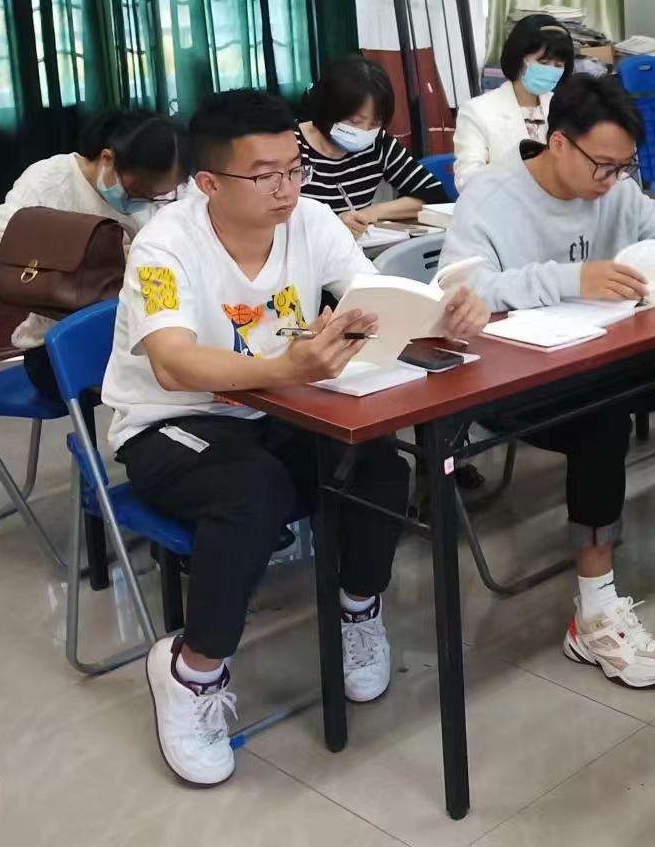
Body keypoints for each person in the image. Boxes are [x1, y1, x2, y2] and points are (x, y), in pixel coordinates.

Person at [103, 88, 488, 786]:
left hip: (281, 404)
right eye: (265, 175)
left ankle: (358, 611)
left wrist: (441, 317)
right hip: (172, 423)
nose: (287, 188)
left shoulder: (311, 221)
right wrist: (285, 367)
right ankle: (192, 671)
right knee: (253, 494)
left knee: (378, 462)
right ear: (208, 182)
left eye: (294, 169)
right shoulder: (163, 247)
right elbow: (172, 362)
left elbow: (370, 300)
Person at [439, 74, 655, 692]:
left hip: (602, 352)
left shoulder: (615, 188)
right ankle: (594, 614)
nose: (613, 179)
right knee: (601, 421)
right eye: (602, 165)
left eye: (624, 167)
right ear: (558, 143)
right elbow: (464, 291)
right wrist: (573, 279)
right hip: (518, 376)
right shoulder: (490, 197)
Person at [0, 109, 184, 407]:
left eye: (158, 196)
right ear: (107, 158)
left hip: (137, 334)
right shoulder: (52, 180)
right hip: (58, 347)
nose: (146, 202)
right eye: (138, 191)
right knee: (163, 382)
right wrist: (88, 262)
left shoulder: (164, 197)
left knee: (187, 367)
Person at [295, 54, 448, 236]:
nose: (364, 131)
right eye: (354, 121)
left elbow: (434, 196)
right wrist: (333, 224)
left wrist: (371, 213)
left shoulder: (378, 144)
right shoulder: (290, 146)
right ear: (329, 110)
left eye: (375, 123)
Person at [453, 13, 576, 187]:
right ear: (519, 59)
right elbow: (467, 181)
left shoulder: (565, 108)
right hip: (504, 201)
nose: (551, 70)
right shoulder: (477, 111)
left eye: (558, 65)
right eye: (543, 62)